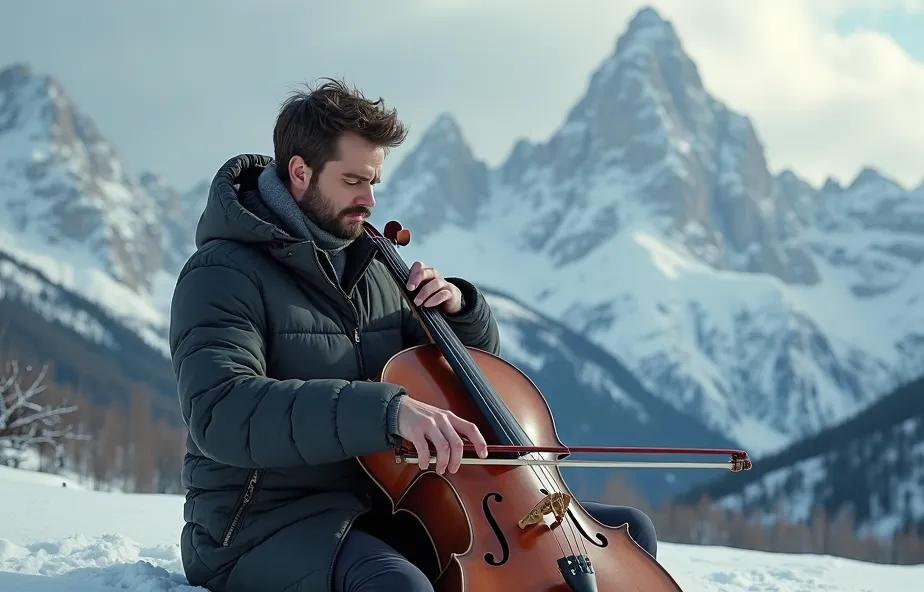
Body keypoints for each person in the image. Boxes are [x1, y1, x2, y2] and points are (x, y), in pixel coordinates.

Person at [168, 78, 659, 592]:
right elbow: (220, 411)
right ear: (299, 172)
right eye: (354, 180)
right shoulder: (222, 273)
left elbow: (467, 384)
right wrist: (387, 412)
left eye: (375, 180)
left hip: (394, 504)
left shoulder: (375, 262)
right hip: (265, 522)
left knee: (630, 533)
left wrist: (460, 312)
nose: (370, 199)